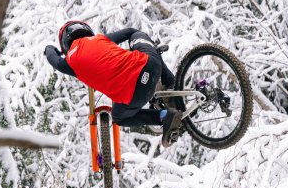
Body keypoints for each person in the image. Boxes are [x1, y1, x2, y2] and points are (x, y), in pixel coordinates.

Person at [44, 20, 184, 147]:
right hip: (150, 64)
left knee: (119, 118)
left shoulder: (69, 62)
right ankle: (170, 84)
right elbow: (130, 31)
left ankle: (165, 116)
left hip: (136, 95)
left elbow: (53, 60)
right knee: (137, 34)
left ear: (64, 44)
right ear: (86, 30)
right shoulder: (99, 38)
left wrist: (50, 49)